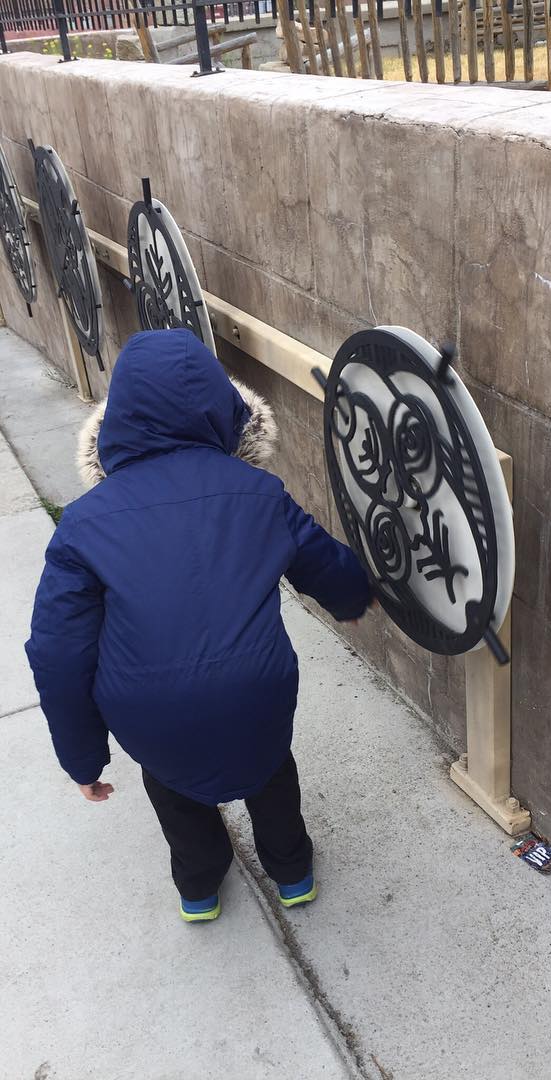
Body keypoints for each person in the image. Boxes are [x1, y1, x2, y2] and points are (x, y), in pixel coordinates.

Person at [25, 328, 372, 923]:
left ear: (118, 420)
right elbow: (324, 563)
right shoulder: (258, 492)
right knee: (270, 772)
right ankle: (293, 873)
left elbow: (58, 653)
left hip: (148, 708)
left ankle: (199, 888)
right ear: (222, 408)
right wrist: (355, 597)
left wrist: (83, 759)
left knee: (175, 789)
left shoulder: (83, 525)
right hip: (256, 691)